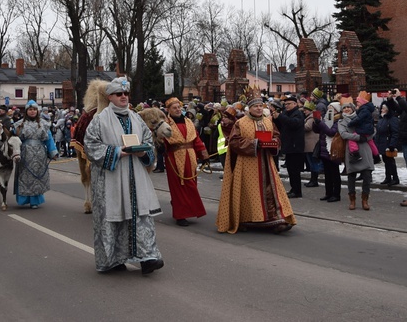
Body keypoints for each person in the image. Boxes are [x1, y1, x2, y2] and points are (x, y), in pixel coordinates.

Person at [84, 77, 164, 274]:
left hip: (135, 176)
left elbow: (148, 142)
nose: (123, 97)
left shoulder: (136, 118)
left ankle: (148, 258)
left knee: (141, 216)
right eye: (119, 94)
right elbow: (91, 146)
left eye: (126, 94)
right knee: (113, 218)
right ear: (110, 97)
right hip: (111, 177)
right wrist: (118, 152)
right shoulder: (100, 120)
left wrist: (144, 152)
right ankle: (112, 260)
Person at [216, 89, 296, 234]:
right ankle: (248, 220)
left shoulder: (268, 122)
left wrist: (274, 142)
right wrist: (254, 143)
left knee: (271, 190)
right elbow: (234, 142)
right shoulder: (241, 123)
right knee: (249, 192)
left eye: (260, 105)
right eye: (255, 106)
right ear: (249, 108)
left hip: (266, 162)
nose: (259, 108)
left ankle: (275, 219)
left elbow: (277, 136)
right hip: (247, 164)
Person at [162, 97, 208, 226]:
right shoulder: (165, 124)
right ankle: (180, 215)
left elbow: (196, 140)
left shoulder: (188, 122)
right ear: (169, 110)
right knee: (178, 186)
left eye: (179, 107)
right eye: (174, 108)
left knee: (191, 184)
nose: (177, 110)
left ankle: (187, 208)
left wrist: (204, 155)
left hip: (191, 157)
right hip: (174, 157)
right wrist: (161, 148)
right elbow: (161, 140)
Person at [12, 99, 59, 208]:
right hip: (25, 153)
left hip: (40, 155)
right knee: (25, 177)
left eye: (34, 110)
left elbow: (49, 139)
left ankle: (35, 201)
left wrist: (53, 152)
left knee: (37, 177)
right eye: (30, 110)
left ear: (37, 111)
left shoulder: (43, 124)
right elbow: (14, 139)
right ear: (26, 111)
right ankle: (24, 199)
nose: (32, 112)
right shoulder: (19, 124)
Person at [337, 101, 374, 210]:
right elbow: (343, 134)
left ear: (353, 108)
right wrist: (358, 137)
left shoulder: (362, 117)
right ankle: (352, 200)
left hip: (364, 148)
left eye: (349, 107)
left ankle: (365, 200)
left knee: (367, 175)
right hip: (352, 150)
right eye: (344, 108)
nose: (347, 109)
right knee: (351, 176)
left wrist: (366, 138)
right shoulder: (341, 121)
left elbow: (373, 131)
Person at [272, 94, 305, 198]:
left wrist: (281, 116)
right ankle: (293, 189)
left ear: (295, 104)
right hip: (289, 145)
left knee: (295, 170)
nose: (286, 106)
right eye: (285, 104)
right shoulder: (286, 113)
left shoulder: (298, 113)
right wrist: (276, 118)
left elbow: (294, 124)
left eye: (289, 104)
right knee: (290, 170)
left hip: (295, 146)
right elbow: (282, 125)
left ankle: (297, 191)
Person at [312, 101, 343, 202]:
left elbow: (331, 132)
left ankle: (336, 194)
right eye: (328, 108)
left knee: (334, 173)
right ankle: (328, 193)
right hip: (324, 149)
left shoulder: (338, 120)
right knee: (328, 174)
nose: (329, 110)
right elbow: (317, 130)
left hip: (333, 149)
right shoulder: (326, 118)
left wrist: (320, 123)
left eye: (332, 108)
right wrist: (316, 122)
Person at [376, 101, 400, 187]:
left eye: (384, 108)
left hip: (388, 143)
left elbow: (395, 132)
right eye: (381, 108)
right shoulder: (382, 118)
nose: (382, 110)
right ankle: (388, 177)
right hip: (382, 142)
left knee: (390, 161)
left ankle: (395, 178)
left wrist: (392, 145)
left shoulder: (392, 119)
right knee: (386, 161)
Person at [302, 101, 322, 188]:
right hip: (311, 142)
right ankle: (313, 179)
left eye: (305, 110)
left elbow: (307, 127)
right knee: (312, 162)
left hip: (311, 143)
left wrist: (300, 124)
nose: (304, 111)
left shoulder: (311, 118)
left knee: (313, 162)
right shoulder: (312, 116)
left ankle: (314, 180)